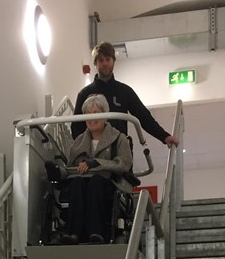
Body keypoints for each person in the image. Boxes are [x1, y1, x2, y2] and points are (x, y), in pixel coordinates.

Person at [53, 93, 134, 245]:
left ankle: (97, 232)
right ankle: (73, 233)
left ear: (105, 115)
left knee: (96, 182)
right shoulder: (78, 141)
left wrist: (96, 163)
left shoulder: (119, 138)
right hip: (83, 182)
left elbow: (124, 164)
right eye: (88, 114)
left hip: (110, 183)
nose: (92, 118)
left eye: (96, 113)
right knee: (76, 184)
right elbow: (72, 167)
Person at [72, 41, 180, 150]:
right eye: (101, 60)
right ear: (95, 63)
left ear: (114, 61)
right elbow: (76, 127)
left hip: (119, 151)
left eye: (108, 59)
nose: (105, 63)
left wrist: (164, 136)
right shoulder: (85, 94)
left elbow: (144, 117)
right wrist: (84, 153)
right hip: (93, 152)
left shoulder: (125, 91)